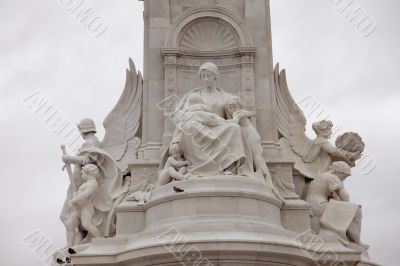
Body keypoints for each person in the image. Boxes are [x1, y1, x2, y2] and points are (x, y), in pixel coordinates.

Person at [161, 62, 255, 178]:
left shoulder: (226, 97)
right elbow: (183, 118)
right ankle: (195, 168)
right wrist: (175, 140)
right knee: (190, 127)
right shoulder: (193, 96)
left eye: (208, 76)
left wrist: (244, 114)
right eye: (203, 76)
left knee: (235, 129)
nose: (205, 79)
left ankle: (228, 166)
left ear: (216, 76)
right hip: (198, 128)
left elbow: (233, 114)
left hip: (219, 126)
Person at [306, 161, 368, 251]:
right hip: (318, 205)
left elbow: (336, 197)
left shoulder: (325, 176)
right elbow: (345, 197)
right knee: (356, 210)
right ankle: (357, 241)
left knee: (351, 211)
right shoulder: (332, 177)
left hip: (315, 204)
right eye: (344, 176)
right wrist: (348, 208)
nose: (344, 179)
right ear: (336, 171)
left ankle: (355, 239)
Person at [65, 164, 101, 247]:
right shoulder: (86, 183)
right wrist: (75, 196)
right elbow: (80, 195)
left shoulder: (93, 184)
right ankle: (69, 245)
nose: (81, 175)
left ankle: (100, 239)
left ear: (88, 172)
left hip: (86, 207)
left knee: (86, 224)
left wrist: (74, 201)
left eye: (82, 173)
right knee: (69, 225)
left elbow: (85, 195)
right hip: (79, 208)